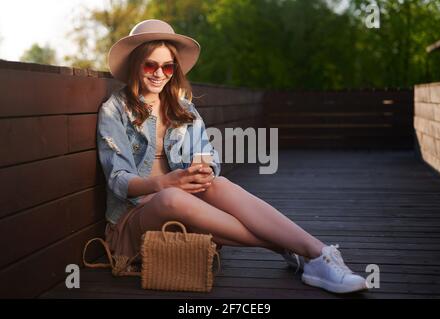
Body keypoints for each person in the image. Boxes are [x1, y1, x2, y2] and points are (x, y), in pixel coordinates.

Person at [97, 19, 367, 294]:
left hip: (184, 209)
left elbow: (208, 154)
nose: (159, 74)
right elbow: (118, 179)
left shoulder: (183, 108)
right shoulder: (115, 110)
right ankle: (293, 247)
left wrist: (203, 170)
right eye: (150, 65)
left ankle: (319, 253)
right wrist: (165, 183)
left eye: (167, 66)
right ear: (135, 65)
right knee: (172, 197)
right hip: (133, 221)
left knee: (218, 183)